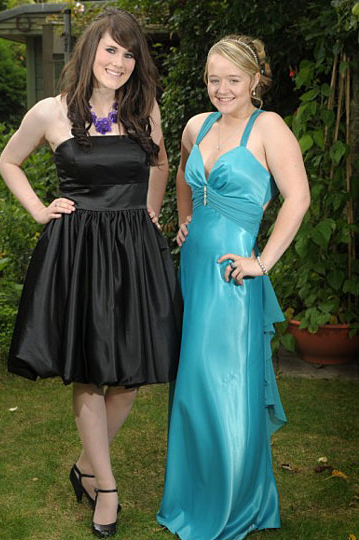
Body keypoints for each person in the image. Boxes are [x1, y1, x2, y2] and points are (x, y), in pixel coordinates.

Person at [0, 8, 182, 538]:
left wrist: (150, 209)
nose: (119, 62)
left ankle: (84, 466)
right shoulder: (51, 111)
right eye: (110, 49)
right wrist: (40, 210)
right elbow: (9, 161)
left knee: (130, 374)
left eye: (129, 54)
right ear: (89, 51)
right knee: (88, 369)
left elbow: (161, 163)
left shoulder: (144, 108)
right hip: (79, 251)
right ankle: (107, 488)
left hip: (133, 249)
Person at [157, 35, 310, 540]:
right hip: (193, 269)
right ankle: (193, 495)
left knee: (227, 383)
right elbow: (184, 175)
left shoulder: (269, 128)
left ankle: (234, 504)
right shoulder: (197, 126)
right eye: (213, 79)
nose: (221, 89)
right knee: (193, 384)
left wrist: (262, 262)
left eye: (233, 79)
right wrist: (185, 218)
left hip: (233, 275)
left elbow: (298, 198)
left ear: (255, 79)